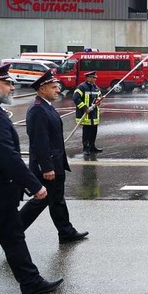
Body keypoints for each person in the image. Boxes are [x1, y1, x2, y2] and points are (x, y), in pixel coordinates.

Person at [0, 64, 64, 294]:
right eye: (7, 83)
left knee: (13, 237)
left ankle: (31, 283)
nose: (13, 87)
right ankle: (31, 282)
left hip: (0, 194)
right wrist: (34, 184)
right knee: (12, 236)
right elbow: (6, 155)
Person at [19, 70, 89, 244]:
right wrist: (47, 167)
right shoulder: (37, 110)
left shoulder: (46, 106)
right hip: (48, 166)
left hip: (55, 163)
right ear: (42, 89)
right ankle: (10, 232)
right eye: (53, 87)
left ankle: (66, 232)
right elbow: (39, 142)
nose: (58, 90)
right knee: (41, 201)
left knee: (56, 199)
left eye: (57, 86)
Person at [73, 71, 103, 155]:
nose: (95, 79)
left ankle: (92, 147)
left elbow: (99, 97)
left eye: (95, 77)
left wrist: (98, 101)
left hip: (94, 114)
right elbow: (76, 98)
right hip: (85, 114)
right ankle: (85, 148)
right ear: (88, 77)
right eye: (94, 77)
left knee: (94, 131)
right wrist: (84, 108)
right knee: (86, 132)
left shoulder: (96, 88)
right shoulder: (82, 87)